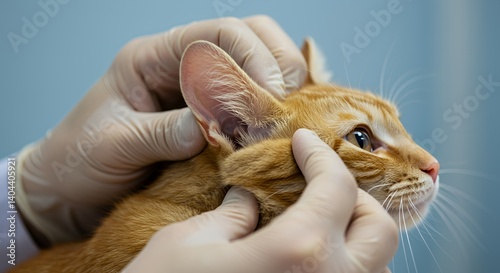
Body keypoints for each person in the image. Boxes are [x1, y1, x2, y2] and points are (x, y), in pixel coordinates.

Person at [0, 16, 398, 273]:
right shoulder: (139, 242)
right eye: (362, 138)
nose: (430, 165)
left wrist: (25, 211)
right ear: (235, 129)